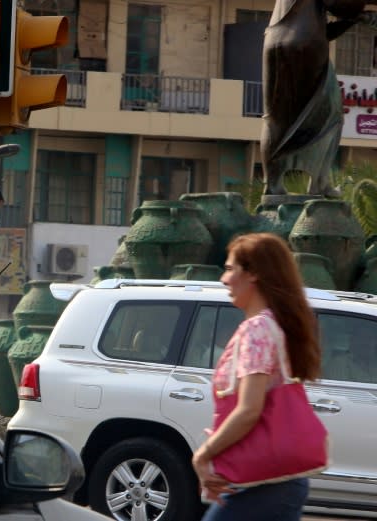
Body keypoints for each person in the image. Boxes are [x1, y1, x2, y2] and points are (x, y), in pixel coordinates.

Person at [191, 233, 321, 521]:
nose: (224, 280)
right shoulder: (275, 324)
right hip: (273, 480)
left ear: (254, 274)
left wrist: (202, 455)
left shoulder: (258, 330)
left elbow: (249, 409)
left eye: (229, 269)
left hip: (263, 485)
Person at [261, 0, 369, 196]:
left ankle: (272, 185)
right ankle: (319, 183)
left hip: (275, 39)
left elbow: (322, 31)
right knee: (332, 116)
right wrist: (357, 12)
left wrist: (353, 21)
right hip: (307, 45)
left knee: (275, 118)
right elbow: (339, 5)